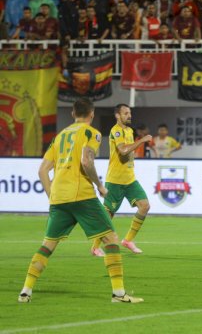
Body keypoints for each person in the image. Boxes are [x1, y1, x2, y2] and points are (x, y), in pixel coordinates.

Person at [17, 98, 143, 304]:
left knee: (48, 245)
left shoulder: (59, 136)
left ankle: (26, 291)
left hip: (59, 197)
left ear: (72, 114)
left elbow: (42, 171)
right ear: (91, 114)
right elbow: (87, 161)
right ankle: (119, 294)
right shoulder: (90, 132)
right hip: (82, 195)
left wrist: (52, 198)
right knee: (111, 239)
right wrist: (100, 186)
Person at [90, 104, 154, 257]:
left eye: (130, 113)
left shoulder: (129, 131)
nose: (129, 115)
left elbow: (128, 153)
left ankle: (128, 241)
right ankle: (95, 247)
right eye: (125, 113)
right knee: (108, 214)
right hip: (115, 180)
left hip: (130, 179)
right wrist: (142, 140)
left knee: (144, 206)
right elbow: (123, 150)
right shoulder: (116, 131)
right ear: (117, 116)